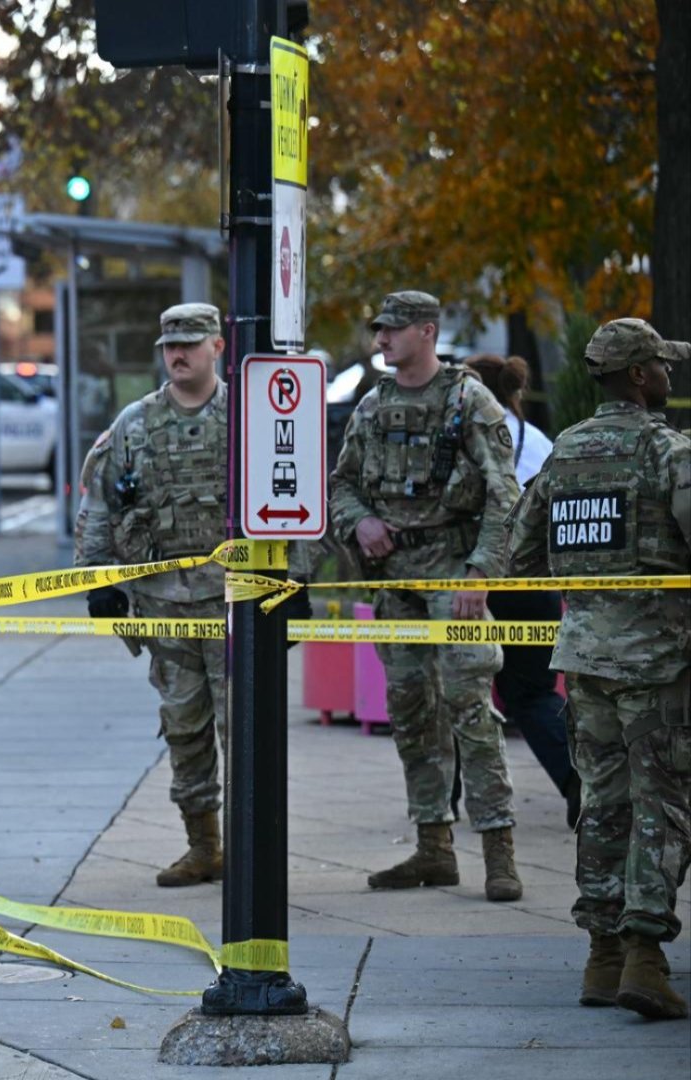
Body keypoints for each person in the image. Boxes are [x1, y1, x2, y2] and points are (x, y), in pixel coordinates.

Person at [76, 303, 313, 887]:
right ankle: (203, 845)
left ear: (217, 348)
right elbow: (100, 503)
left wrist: (297, 582)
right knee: (184, 728)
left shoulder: (251, 418)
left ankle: (252, 853)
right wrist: (96, 580)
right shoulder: (134, 424)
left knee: (245, 733)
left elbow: (292, 502)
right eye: (168, 346)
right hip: (164, 608)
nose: (177, 354)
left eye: (189, 343)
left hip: (238, 608)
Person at [504, 318, 691, 1020]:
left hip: (583, 664)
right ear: (640, 377)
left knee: (602, 806)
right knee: (663, 806)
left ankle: (601, 957)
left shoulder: (564, 456)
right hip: (661, 666)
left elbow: (521, 557)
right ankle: (645, 954)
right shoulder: (670, 451)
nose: (671, 377)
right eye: (663, 368)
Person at [329, 290, 525, 901]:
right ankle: (433, 847)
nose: (381, 340)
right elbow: (341, 487)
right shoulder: (371, 407)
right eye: (379, 329)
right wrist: (359, 521)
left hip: (453, 578)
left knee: (470, 709)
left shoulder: (469, 400)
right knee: (412, 713)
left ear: (427, 332)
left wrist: (479, 574)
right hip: (395, 584)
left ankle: (498, 850)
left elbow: (504, 495)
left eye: (393, 330)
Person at [464, 353, 575, 814]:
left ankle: (444, 806)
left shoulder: (474, 433)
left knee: (457, 693)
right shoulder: (540, 440)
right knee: (532, 694)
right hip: (536, 582)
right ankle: (577, 784)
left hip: (478, 579)